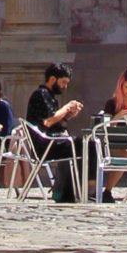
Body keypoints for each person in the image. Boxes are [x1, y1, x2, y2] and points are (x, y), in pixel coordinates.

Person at [26, 61, 84, 203]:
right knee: (85, 145)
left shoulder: (50, 96)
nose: (65, 87)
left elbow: (56, 124)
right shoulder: (41, 94)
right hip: (44, 145)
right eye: (63, 82)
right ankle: (86, 188)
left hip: (52, 141)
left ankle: (68, 190)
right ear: (52, 79)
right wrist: (67, 107)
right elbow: (48, 121)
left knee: (88, 144)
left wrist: (69, 115)